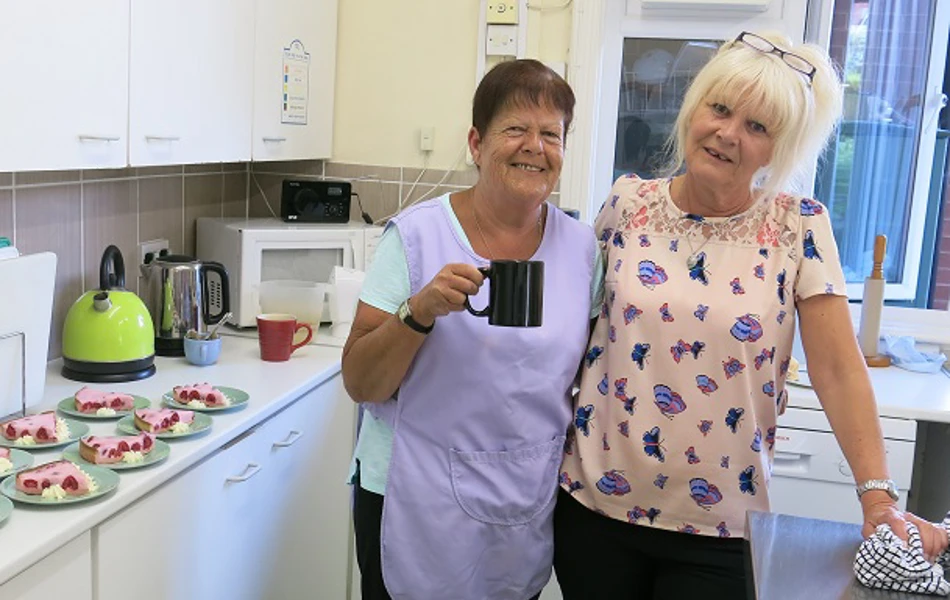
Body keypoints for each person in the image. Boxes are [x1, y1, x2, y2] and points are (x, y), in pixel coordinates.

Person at [553, 30, 949, 599]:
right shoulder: (627, 204)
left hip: (720, 526)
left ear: (777, 149)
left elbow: (838, 370)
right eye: (719, 109)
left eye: (757, 127)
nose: (727, 134)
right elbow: (573, 337)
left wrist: (879, 498)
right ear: (694, 109)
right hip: (594, 510)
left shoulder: (798, 227)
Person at [342, 59, 604, 600]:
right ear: (476, 143)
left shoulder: (582, 250)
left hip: (522, 495)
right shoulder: (417, 238)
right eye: (515, 129)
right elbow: (361, 383)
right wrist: (418, 313)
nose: (535, 145)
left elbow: (594, 375)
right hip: (411, 493)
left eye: (551, 134)